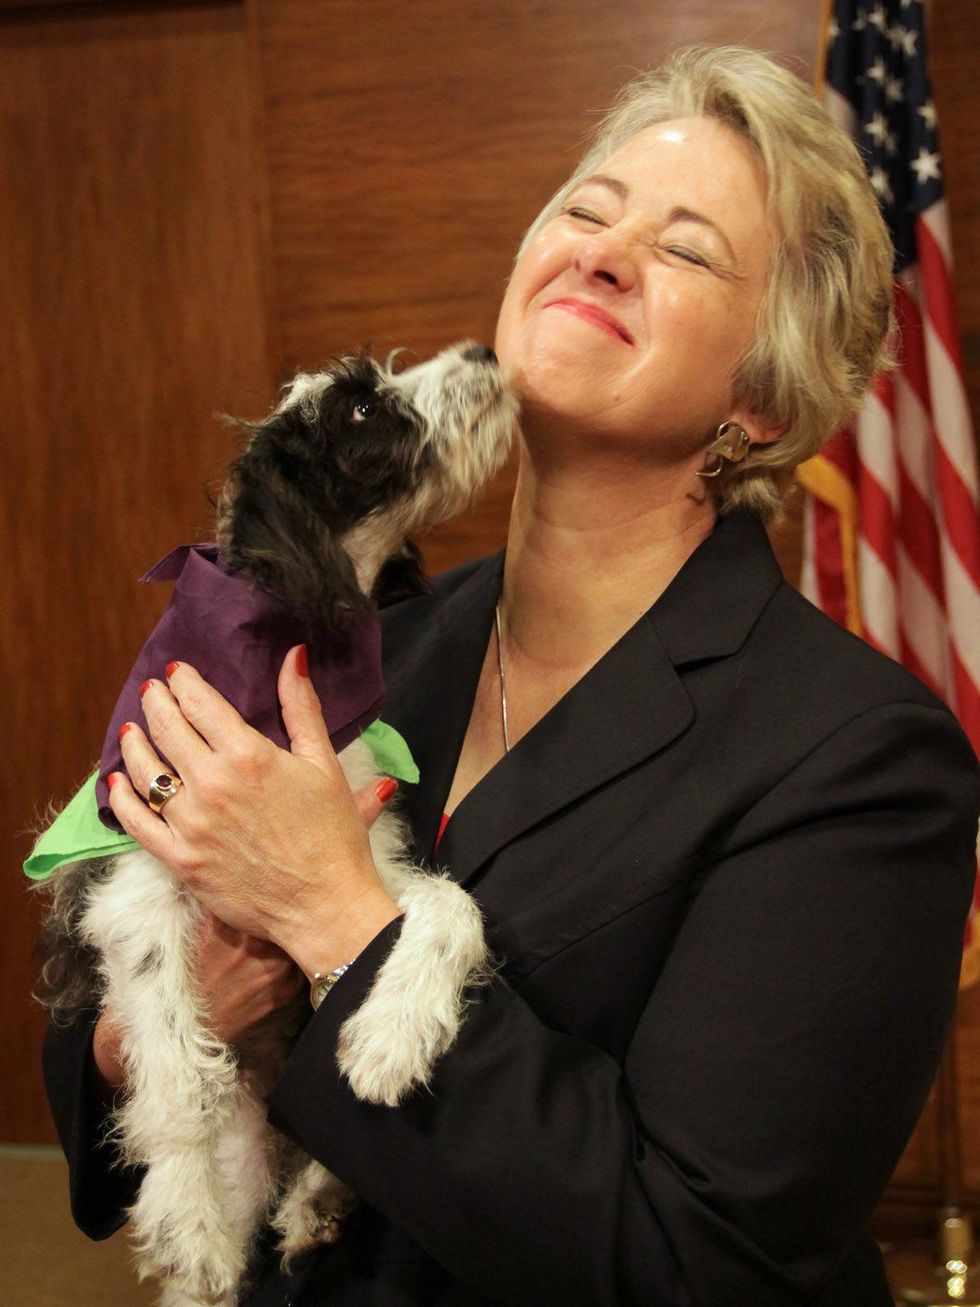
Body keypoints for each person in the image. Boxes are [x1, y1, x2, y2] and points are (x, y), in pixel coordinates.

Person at [42, 44, 980, 1307]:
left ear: (759, 402)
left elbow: (697, 1261)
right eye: (586, 211)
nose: (600, 249)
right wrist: (150, 1025)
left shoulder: (862, 757)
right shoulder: (380, 644)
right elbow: (100, 1026)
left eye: (687, 249)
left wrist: (334, 913)